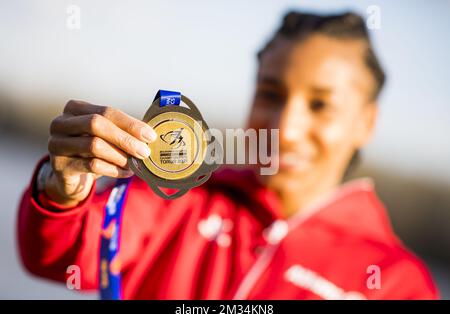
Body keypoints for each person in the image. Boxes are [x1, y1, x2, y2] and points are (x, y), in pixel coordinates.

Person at [17, 11, 438, 299]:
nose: (284, 129)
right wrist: (61, 192)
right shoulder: (177, 198)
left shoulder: (398, 283)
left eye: (320, 105)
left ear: (366, 122)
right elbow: (62, 258)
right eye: (270, 94)